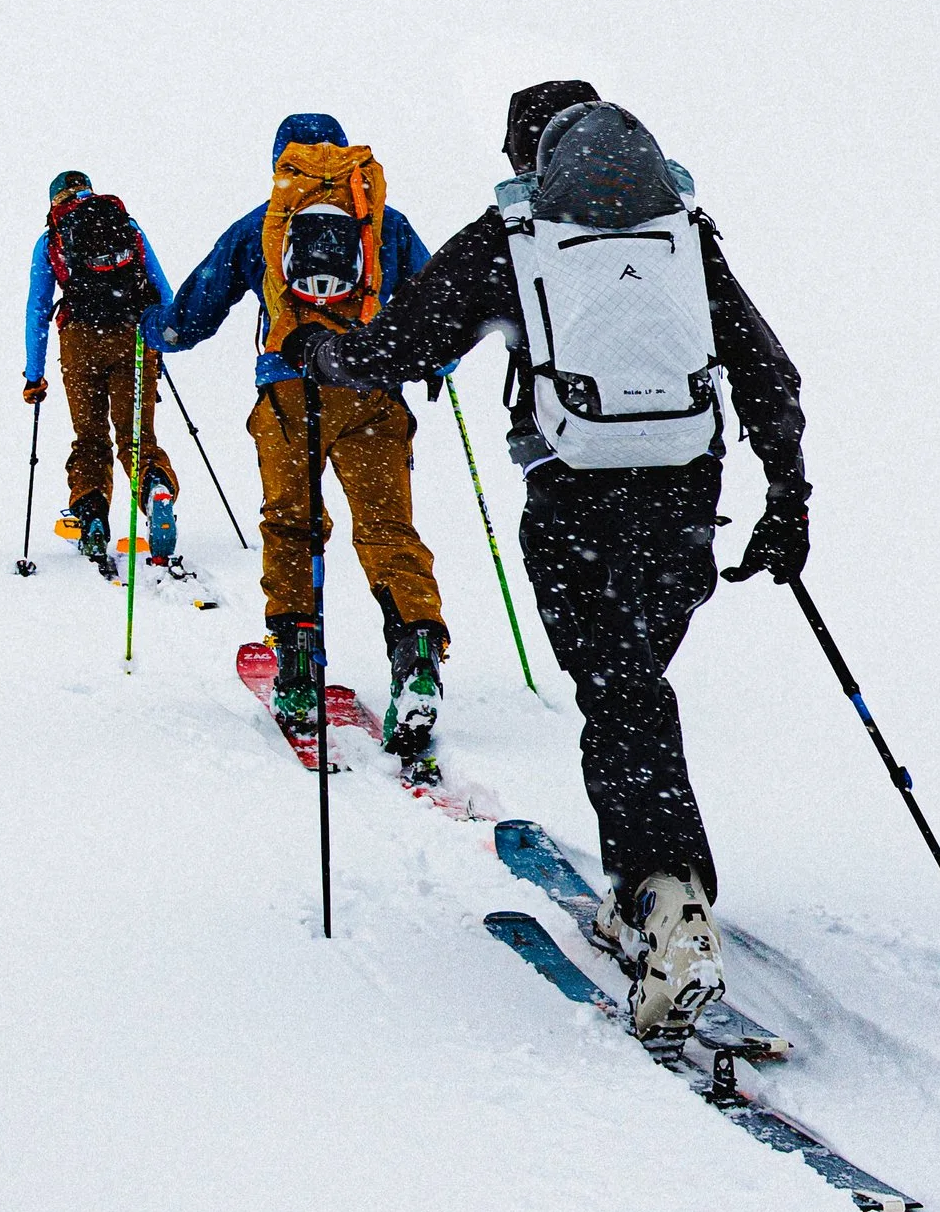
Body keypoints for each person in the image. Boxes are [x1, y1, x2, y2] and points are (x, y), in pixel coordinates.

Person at [280, 88, 811, 1043]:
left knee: (619, 693)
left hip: (577, 503)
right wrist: (789, 498)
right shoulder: (681, 231)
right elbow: (766, 367)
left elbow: (406, 341)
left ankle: (665, 902)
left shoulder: (513, 232)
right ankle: (657, 888)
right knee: (634, 685)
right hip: (688, 498)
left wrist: (325, 353)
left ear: (530, 154)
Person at [155, 115, 449, 758]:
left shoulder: (267, 221)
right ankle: (418, 655)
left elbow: (197, 309)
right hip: (373, 390)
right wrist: (437, 362)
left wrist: (161, 329)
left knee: (291, 523)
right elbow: (435, 302)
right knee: (388, 529)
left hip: (290, 392)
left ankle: (295, 663)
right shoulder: (382, 220)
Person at [24, 171, 181, 564]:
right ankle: (155, 489)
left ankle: (92, 515)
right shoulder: (126, 226)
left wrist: (34, 375)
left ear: (55, 200)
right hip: (133, 337)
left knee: (90, 437)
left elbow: (38, 310)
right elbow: (163, 290)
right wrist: (160, 340)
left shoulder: (52, 240)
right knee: (137, 437)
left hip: (79, 341)